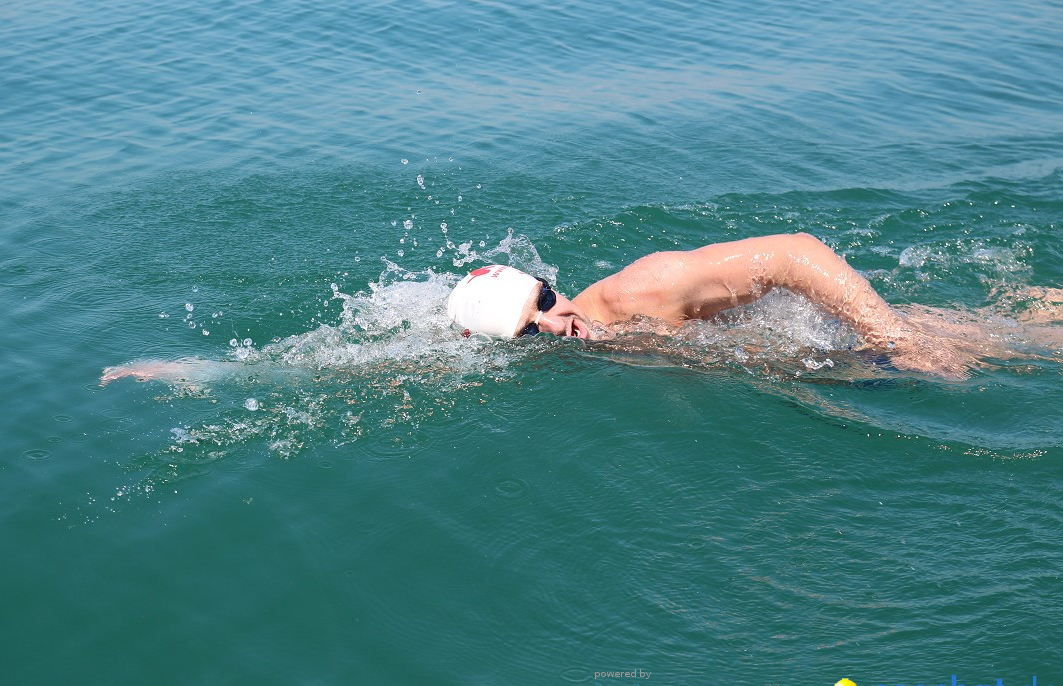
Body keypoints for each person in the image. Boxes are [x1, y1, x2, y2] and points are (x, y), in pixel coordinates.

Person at [446, 232, 1060, 377]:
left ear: (554, 283)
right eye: (531, 330)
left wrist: (897, 338)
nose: (557, 322)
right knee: (1019, 334)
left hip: (846, 333)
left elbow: (795, 253)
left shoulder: (641, 292)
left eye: (548, 299)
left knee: (1016, 350)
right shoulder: (601, 336)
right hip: (819, 349)